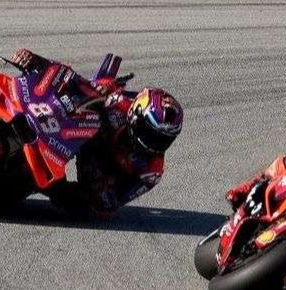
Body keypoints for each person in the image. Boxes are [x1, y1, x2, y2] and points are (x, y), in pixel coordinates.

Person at [10, 49, 184, 218]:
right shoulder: (121, 104)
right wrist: (38, 62)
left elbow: (115, 202)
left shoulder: (152, 171)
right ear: (135, 115)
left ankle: (46, 183)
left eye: (163, 140)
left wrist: (101, 190)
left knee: (93, 208)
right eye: (151, 133)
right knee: (81, 94)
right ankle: (32, 83)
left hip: (98, 175)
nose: (155, 143)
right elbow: (80, 83)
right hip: (85, 133)